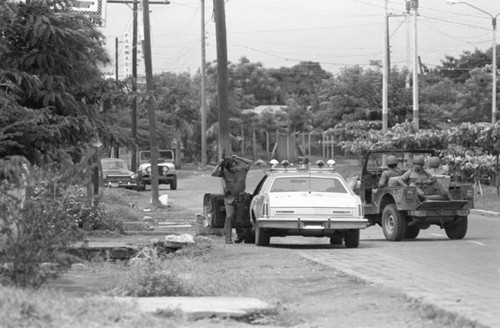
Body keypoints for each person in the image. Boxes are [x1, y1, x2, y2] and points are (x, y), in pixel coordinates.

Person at [211, 154, 253, 244]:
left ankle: (240, 236)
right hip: (229, 198)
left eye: (235, 165)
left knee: (238, 220)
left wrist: (238, 157)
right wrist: (219, 164)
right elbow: (213, 173)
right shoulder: (225, 173)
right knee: (229, 217)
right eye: (232, 167)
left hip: (240, 198)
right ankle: (228, 238)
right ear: (228, 168)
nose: (234, 168)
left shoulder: (242, 170)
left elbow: (250, 162)